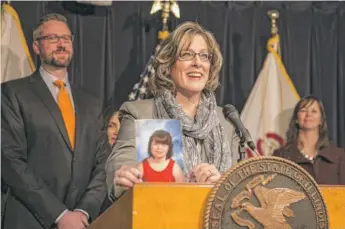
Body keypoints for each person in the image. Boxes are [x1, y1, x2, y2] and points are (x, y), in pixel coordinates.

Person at [105, 21, 237, 201]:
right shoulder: (139, 113)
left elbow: (241, 189)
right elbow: (121, 162)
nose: (197, 62)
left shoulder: (228, 121)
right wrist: (125, 175)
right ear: (168, 66)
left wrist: (222, 184)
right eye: (187, 54)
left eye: (204, 56)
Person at [1, 13, 110, 229]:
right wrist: (59, 215)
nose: (61, 44)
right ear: (36, 47)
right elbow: (9, 160)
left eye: (67, 38)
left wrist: (83, 211)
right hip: (29, 220)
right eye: (52, 38)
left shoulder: (91, 104)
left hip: (81, 222)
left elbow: (103, 164)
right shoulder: (13, 93)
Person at [273, 95, 345, 185]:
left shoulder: (339, 156)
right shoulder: (281, 156)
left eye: (314, 111)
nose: (308, 114)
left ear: (321, 120)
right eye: (303, 110)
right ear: (296, 119)